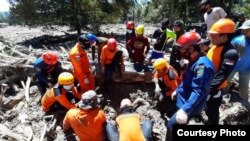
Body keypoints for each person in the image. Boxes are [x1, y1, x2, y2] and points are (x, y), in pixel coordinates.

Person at [166, 32, 215, 141]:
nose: (180, 51)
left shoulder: (202, 65)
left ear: (192, 48)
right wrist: (178, 90)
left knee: (171, 126)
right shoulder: (194, 61)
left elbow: (199, 91)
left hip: (189, 105)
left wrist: (185, 110)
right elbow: (187, 80)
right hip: (183, 100)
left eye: (183, 49)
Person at [206, 18, 238, 124]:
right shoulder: (215, 45)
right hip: (206, 85)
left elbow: (222, 74)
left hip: (213, 90)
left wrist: (208, 90)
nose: (211, 38)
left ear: (224, 37)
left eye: (214, 36)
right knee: (207, 110)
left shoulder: (230, 53)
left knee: (213, 112)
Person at [230, 20, 250, 102]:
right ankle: (222, 96)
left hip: (247, 68)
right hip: (232, 66)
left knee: (244, 86)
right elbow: (229, 53)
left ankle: (244, 101)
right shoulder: (237, 40)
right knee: (225, 82)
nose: (244, 31)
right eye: (243, 30)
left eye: (247, 30)